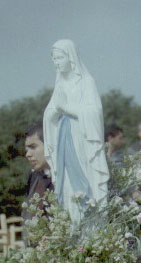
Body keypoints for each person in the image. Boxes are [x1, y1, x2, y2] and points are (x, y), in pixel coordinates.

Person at [43, 39, 109, 227]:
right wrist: (54, 112)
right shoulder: (60, 85)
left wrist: (67, 107)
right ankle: (74, 227)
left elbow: (94, 112)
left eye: (59, 58)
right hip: (64, 138)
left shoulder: (87, 82)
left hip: (82, 139)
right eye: (54, 59)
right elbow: (50, 112)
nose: (56, 63)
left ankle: (90, 227)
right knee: (67, 185)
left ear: (70, 58)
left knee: (85, 177)